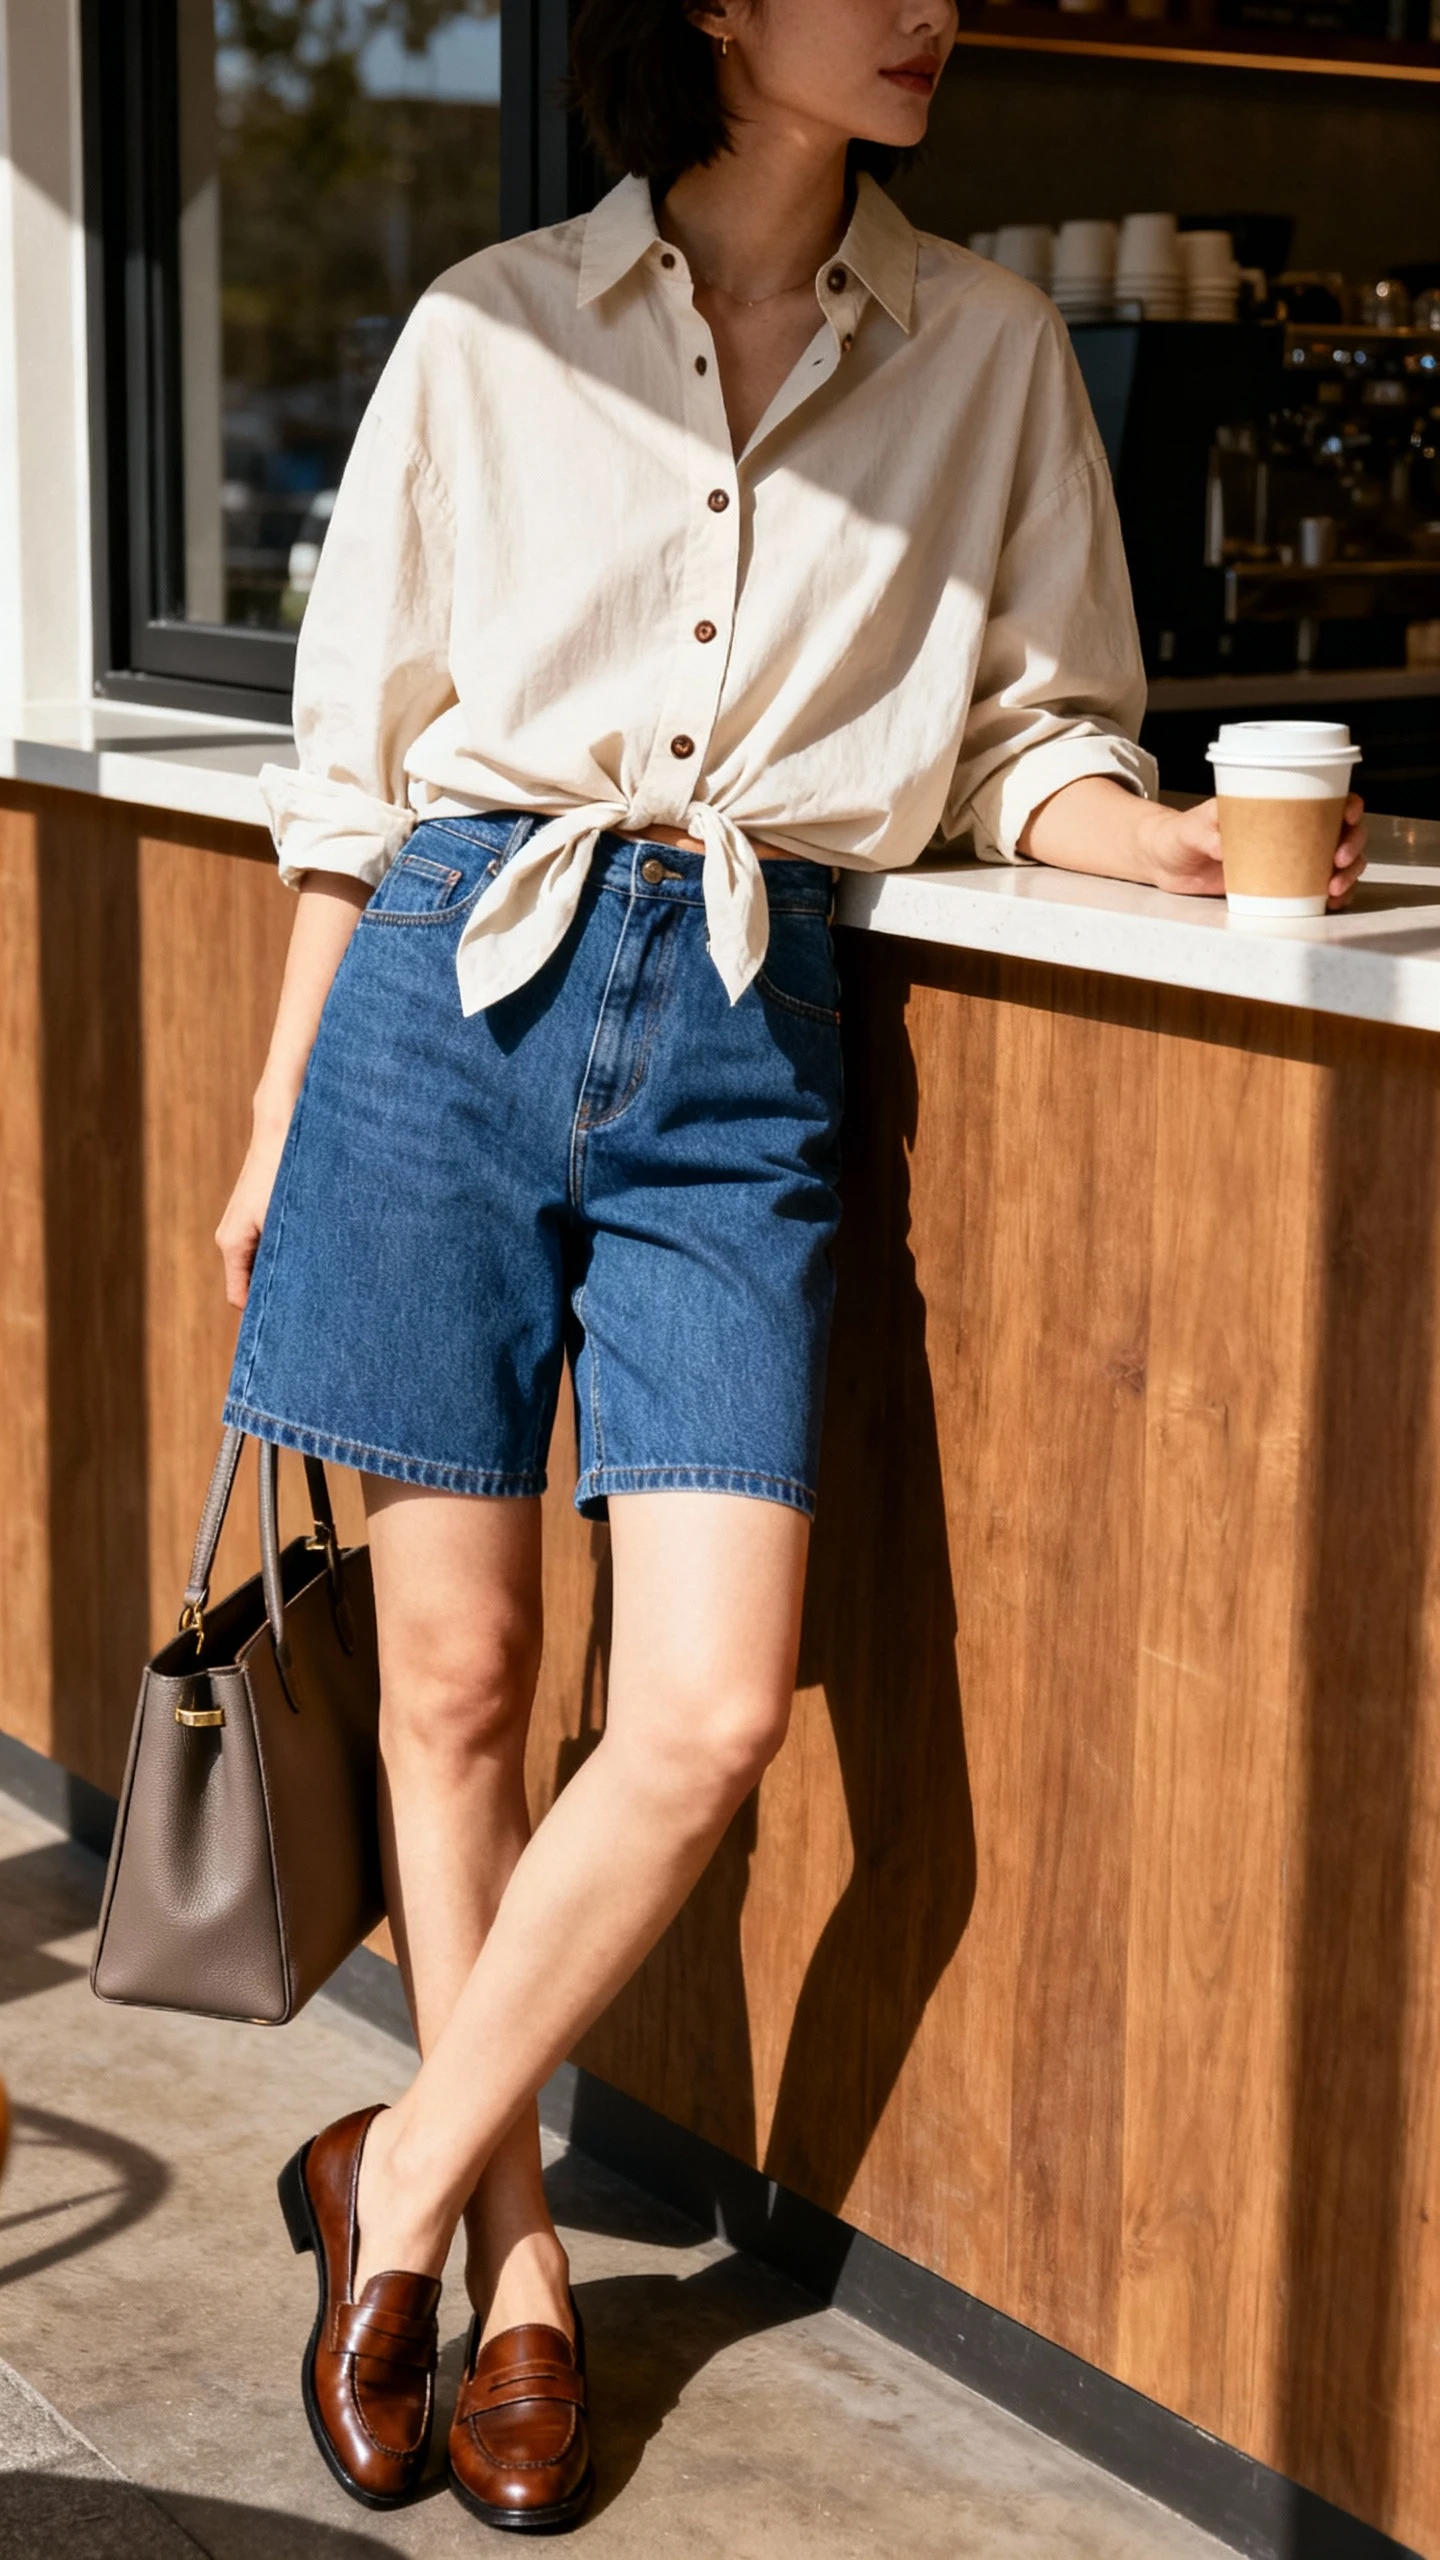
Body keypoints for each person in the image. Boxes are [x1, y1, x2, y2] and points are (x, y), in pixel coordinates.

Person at [219, 0, 1366, 2532]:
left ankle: (384, 2175)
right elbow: (352, 766)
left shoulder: (990, 357)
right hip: (449, 987)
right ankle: (513, 2264)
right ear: (720, 3)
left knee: (711, 1710)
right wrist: (284, 1105)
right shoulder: (492, 328)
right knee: (463, 1675)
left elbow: (1035, 730)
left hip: (752, 1020)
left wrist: (1152, 839)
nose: (931, 2)